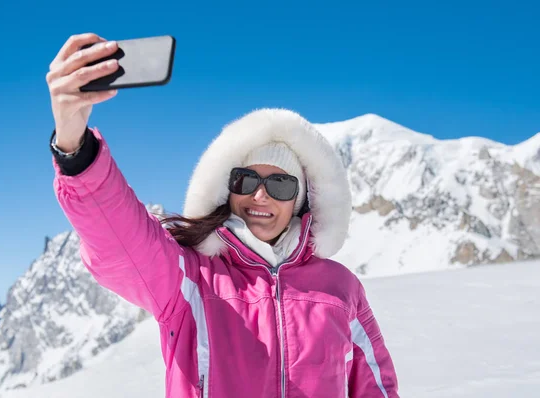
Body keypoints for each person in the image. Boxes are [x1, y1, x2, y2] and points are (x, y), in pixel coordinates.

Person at [46, 33, 399, 398]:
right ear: (227, 190)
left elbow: (376, 388)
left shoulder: (341, 289)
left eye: (280, 184)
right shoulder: (191, 280)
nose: (260, 194)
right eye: (246, 180)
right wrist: (75, 148)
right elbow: (121, 240)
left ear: (300, 200)